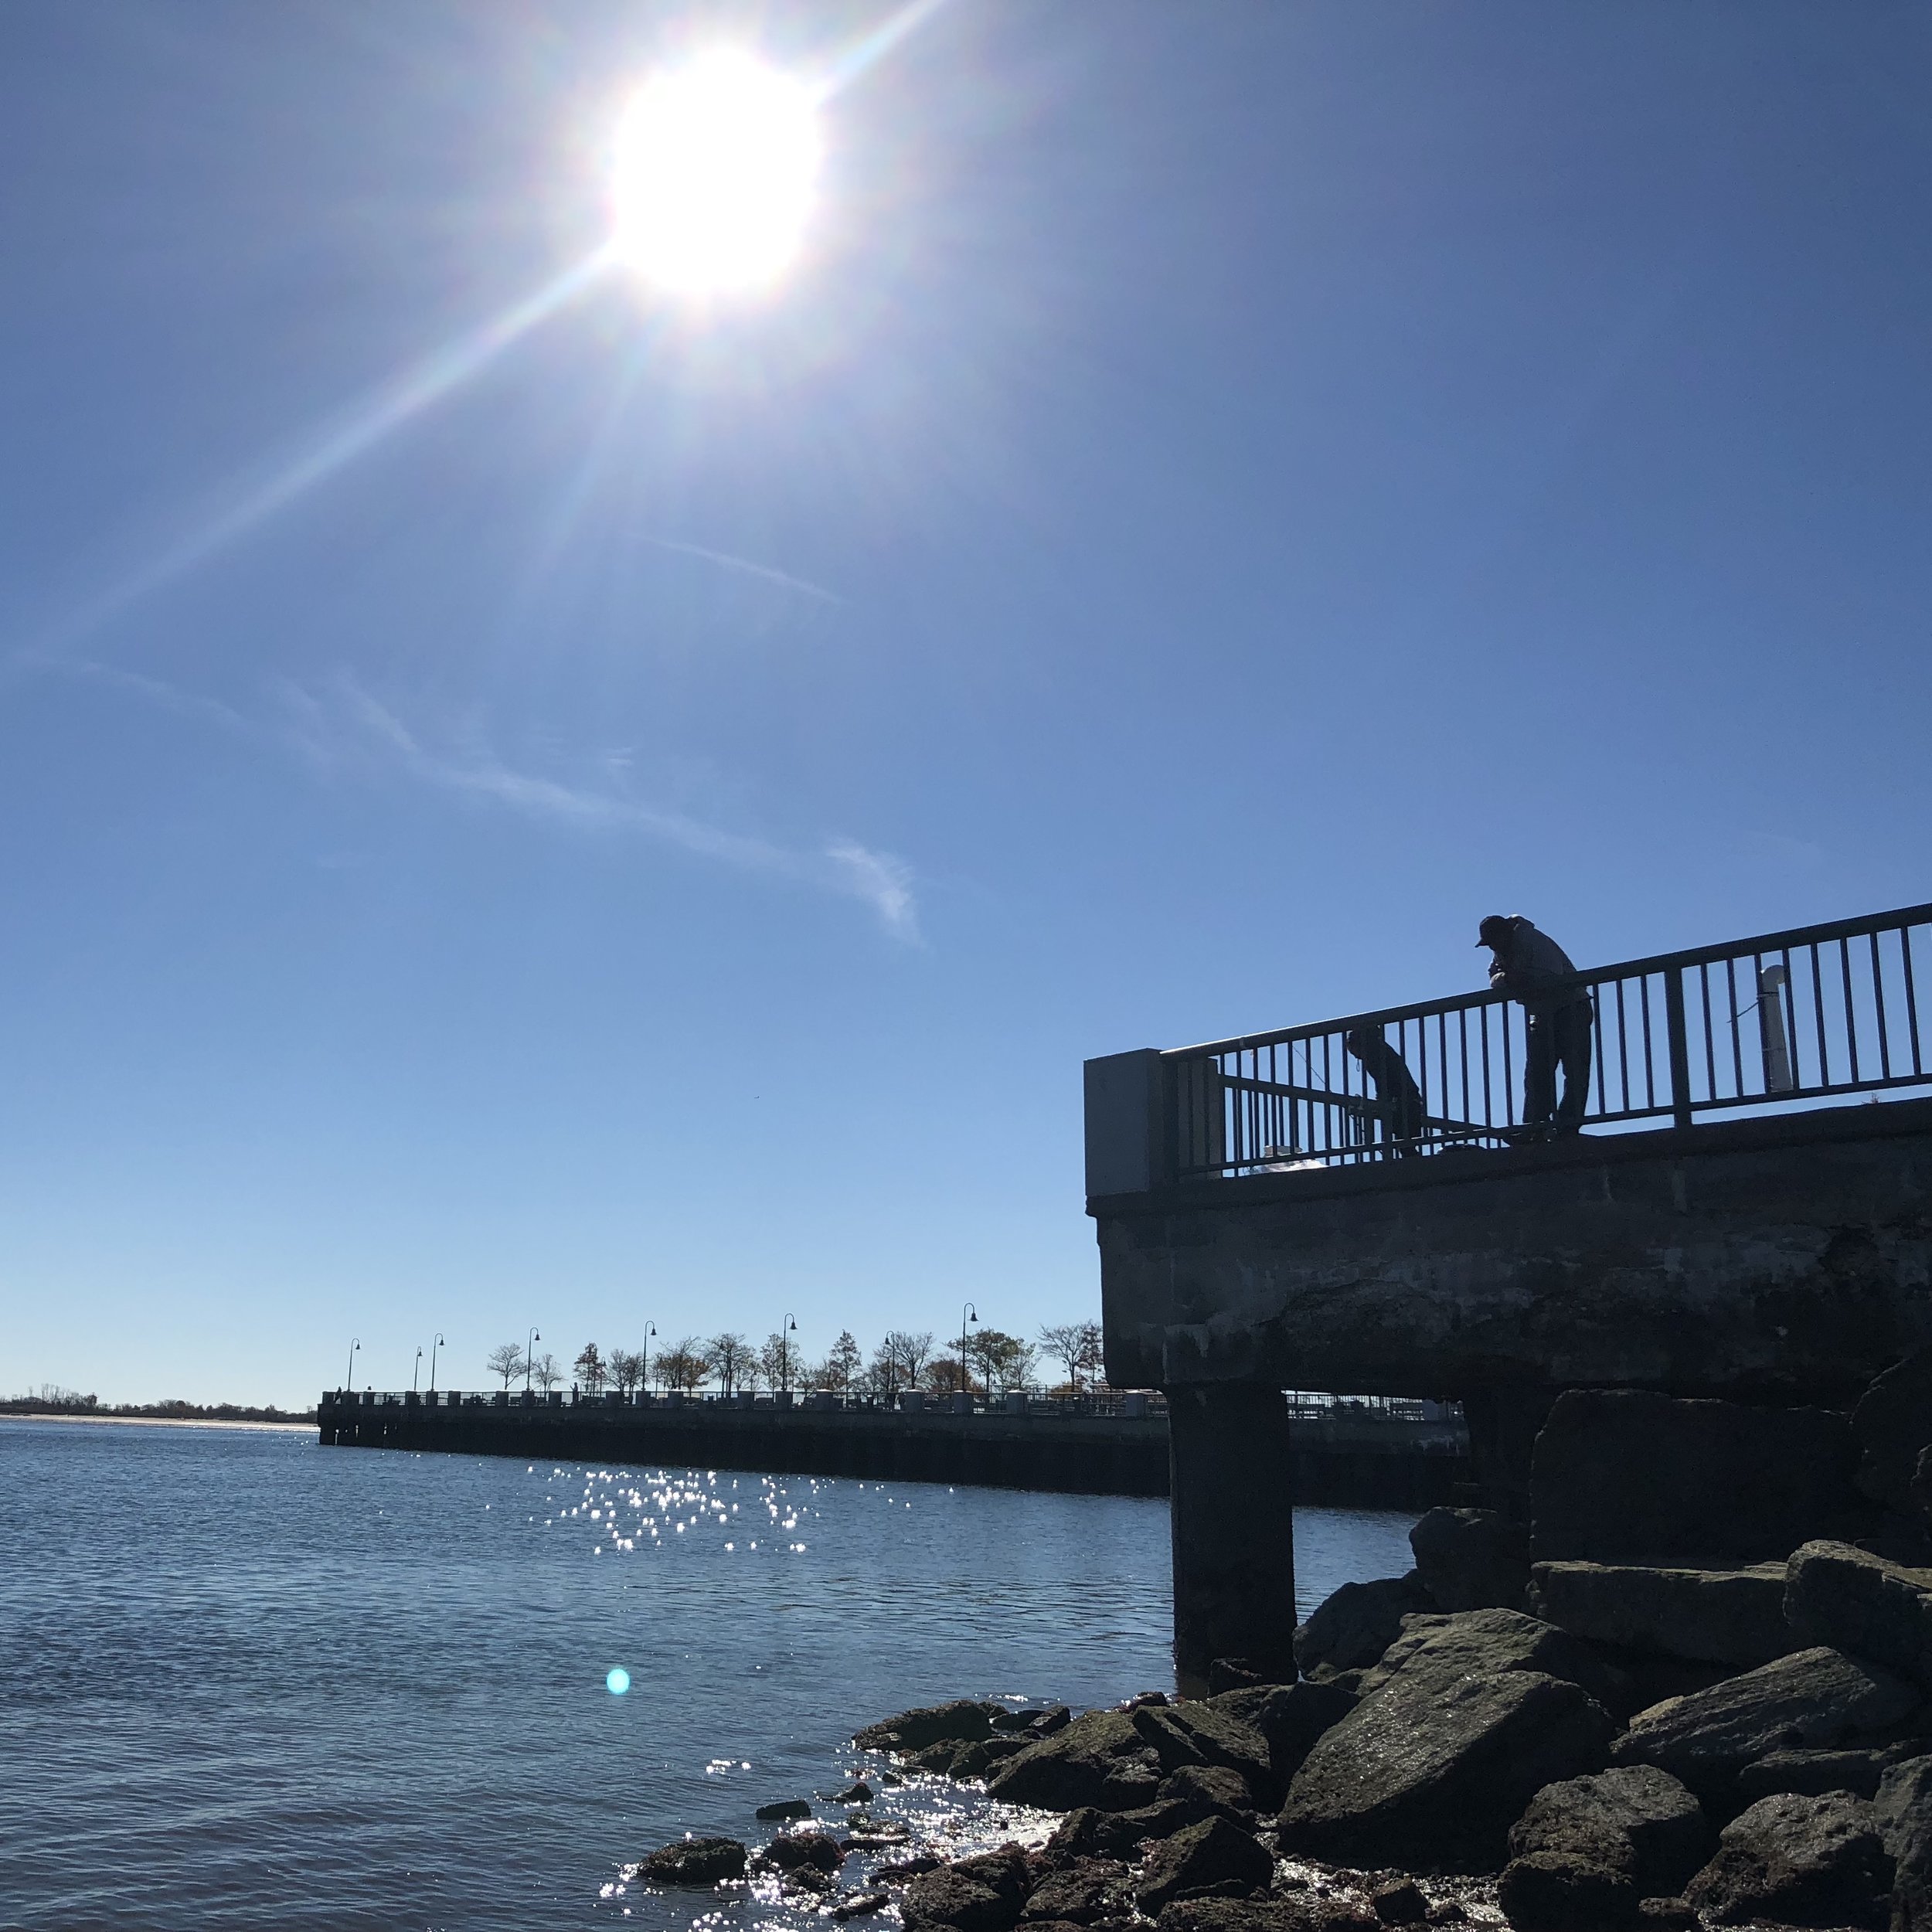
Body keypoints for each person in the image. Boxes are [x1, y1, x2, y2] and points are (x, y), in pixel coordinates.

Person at [1478, 913, 1593, 1138]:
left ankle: (1568, 1127)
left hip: (1571, 1008)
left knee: (1575, 1071)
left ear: (1506, 934)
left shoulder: (1532, 940)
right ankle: (1534, 1128)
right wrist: (1509, 979)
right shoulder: (1500, 951)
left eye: (1493, 941)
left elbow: (1551, 977)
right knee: (1536, 1074)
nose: (1492, 947)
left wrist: (1518, 979)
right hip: (1541, 1014)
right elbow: (1494, 977)